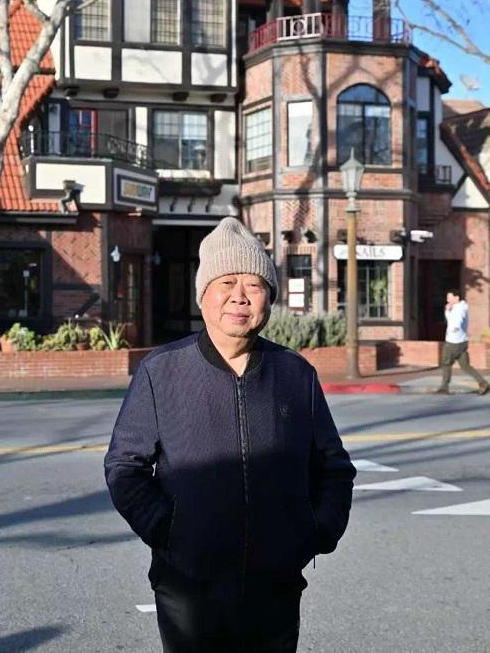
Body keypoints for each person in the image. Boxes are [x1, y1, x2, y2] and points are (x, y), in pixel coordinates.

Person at [104, 217, 356, 653]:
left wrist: (316, 532)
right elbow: (124, 465)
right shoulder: (161, 371)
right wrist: (167, 531)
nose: (240, 295)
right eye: (226, 282)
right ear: (203, 295)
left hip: (276, 584)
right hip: (188, 585)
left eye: (254, 285)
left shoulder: (294, 373)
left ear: (269, 299)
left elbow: (333, 466)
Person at [436, 289, 489, 396]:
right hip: (462, 341)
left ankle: (444, 387)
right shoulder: (460, 307)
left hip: (453, 342)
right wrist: (447, 311)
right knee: (465, 366)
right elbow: (450, 319)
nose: (447, 299)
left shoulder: (459, 309)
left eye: (449, 297)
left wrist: (454, 329)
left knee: (446, 363)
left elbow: (457, 321)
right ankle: (483, 382)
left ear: (457, 298)